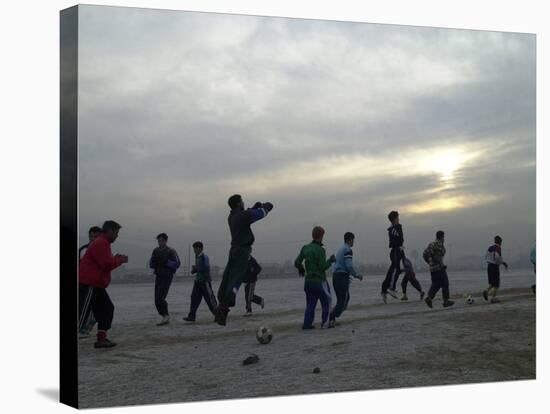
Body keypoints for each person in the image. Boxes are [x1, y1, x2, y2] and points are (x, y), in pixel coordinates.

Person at [214, 195, 274, 326]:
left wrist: (252, 208)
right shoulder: (242, 216)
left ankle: (221, 302)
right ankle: (224, 308)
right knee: (237, 279)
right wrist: (266, 207)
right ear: (238, 204)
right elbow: (260, 214)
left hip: (234, 250)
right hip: (242, 251)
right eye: (241, 201)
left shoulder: (231, 217)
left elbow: (245, 215)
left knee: (228, 277)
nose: (243, 202)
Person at [79, 220, 128, 348]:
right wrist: (119, 260)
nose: (117, 236)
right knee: (81, 314)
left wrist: (116, 259)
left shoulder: (103, 243)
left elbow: (105, 263)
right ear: (110, 231)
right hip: (90, 284)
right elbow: (106, 264)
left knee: (107, 309)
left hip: (96, 284)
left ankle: (101, 339)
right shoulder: (101, 243)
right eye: (116, 233)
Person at [294, 226, 336, 330]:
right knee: (327, 301)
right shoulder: (320, 250)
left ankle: (307, 325)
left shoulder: (305, 248)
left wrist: (301, 268)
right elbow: (322, 267)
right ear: (321, 236)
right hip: (319, 281)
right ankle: (326, 324)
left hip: (308, 282)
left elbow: (296, 262)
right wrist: (330, 260)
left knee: (310, 304)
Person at [328, 232, 363, 328]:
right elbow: (349, 265)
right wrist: (356, 275)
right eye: (353, 240)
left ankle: (332, 318)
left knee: (344, 299)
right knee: (343, 300)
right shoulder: (348, 250)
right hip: (341, 277)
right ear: (350, 239)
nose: (354, 242)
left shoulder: (340, 249)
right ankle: (331, 317)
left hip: (336, 276)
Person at [149, 233, 180, 326]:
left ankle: (166, 316)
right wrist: (156, 263)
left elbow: (177, 263)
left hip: (167, 276)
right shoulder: (155, 251)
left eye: (162, 240)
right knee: (156, 298)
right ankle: (164, 315)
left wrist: (167, 262)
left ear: (166, 241)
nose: (160, 242)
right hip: (158, 276)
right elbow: (151, 263)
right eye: (159, 241)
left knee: (161, 297)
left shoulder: (171, 251)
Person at [183, 241, 218, 322]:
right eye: (194, 248)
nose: (194, 250)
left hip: (205, 281)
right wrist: (195, 270)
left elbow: (205, 267)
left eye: (196, 248)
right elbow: (200, 268)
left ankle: (218, 315)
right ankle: (192, 316)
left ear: (200, 248)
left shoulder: (204, 257)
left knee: (209, 299)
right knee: (194, 298)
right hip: (198, 281)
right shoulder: (197, 256)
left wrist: (196, 269)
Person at [78, 226, 102, 339]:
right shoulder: (85, 250)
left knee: (99, 308)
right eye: (91, 236)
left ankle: (86, 328)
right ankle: (81, 329)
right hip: (86, 283)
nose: (93, 239)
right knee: (85, 306)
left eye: (96, 237)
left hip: (98, 283)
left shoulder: (102, 249)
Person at [423, 230, 454, 308]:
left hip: (432, 269)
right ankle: (446, 301)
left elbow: (424, 254)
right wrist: (441, 265)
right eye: (443, 237)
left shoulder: (431, 244)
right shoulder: (439, 244)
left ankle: (429, 298)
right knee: (445, 283)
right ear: (442, 237)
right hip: (439, 268)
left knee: (436, 284)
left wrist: (429, 262)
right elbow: (438, 256)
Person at [381, 210, 404, 303]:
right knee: (395, 269)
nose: (399, 219)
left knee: (393, 270)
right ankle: (391, 287)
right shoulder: (395, 228)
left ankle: (384, 290)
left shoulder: (394, 228)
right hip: (395, 251)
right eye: (398, 217)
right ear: (394, 219)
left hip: (397, 250)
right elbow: (400, 240)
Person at [482, 235, 508, 304]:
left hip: (489, 266)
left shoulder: (490, 248)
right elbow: (497, 257)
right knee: (496, 284)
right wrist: (503, 263)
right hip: (494, 267)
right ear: (500, 242)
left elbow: (486, 256)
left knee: (492, 283)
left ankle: (486, 291)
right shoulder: (498, 248)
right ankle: (493, 298)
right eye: (501, 242)